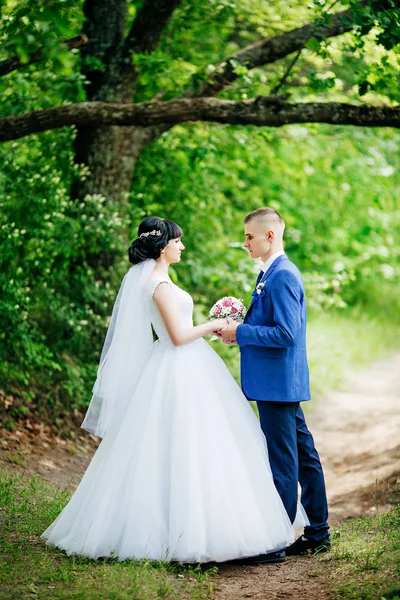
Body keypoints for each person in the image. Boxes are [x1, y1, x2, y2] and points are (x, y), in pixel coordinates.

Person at [41, 216, 306, 564]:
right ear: (163, 246)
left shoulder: (161, 280)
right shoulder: (158, 285)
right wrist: (214, 324)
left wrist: (216, 328)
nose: (182, 246)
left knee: (205, 443)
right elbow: (178, 337)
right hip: (176, 367)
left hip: (188, 366)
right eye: (178, 241)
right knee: (181, 445)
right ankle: (184, 531)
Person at [220, 207, 330, 556]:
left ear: (270, 235)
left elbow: (285, 333)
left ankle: (276, 541)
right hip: (279, 382)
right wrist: (243, 333)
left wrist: (241, 331)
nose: (245, 243)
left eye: (249, 236)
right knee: (304, 456)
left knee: (283, 462)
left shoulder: (282, 275)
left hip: (277, 383)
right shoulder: (271, 272)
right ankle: (318, 533)